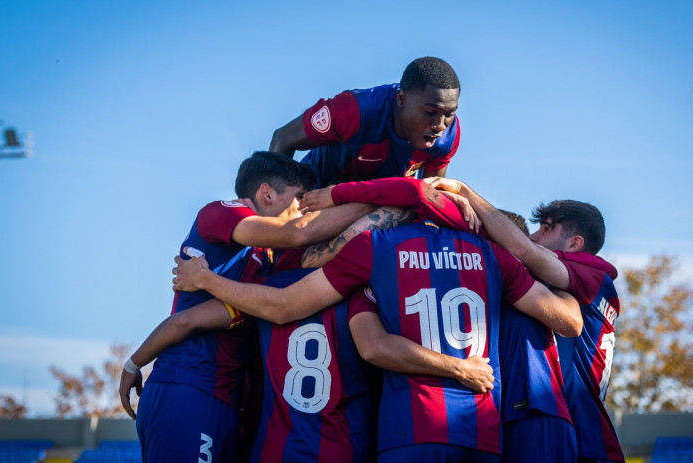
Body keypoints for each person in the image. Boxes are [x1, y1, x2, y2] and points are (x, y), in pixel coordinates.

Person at [173, 217, 582, 462]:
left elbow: (287, 308)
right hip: (482, 430)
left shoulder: (373, 252)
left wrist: (206, 279)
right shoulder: (493, 254)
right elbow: (568, 322)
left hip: (407, 430)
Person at [299, 177, 579, 462]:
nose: (533, 239)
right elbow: (571, 322)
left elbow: (368, 342)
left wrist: (337, 193)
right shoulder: (495, 260)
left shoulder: (380, 253)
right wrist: (571, 289)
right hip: (490, 423)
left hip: (420, 424)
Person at [119, 151, 374, 463]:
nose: (304, 209)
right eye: (299, 199)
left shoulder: (263, 258)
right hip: (188, 386)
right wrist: (378, 196)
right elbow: (298, 233)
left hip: (225, 399)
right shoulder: (222, 213)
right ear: (266, 193)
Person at [426, 178, 624, 463]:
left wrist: (465, 192)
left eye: (545, 228)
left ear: (575, 244)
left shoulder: (594, 274)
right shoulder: (571, 281)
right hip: (576, 426)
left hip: (582, 432)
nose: (534, 236)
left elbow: (522, 250)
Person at [269, 57, 461, 187]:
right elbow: (283, 138)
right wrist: (278, 213)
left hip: (377, 206)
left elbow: (429, 199)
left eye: (449, 113)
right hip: (319, 191)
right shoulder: (354, 110)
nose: (440, 125)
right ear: (401, 99)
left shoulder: (448, 136)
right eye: (430, 112)